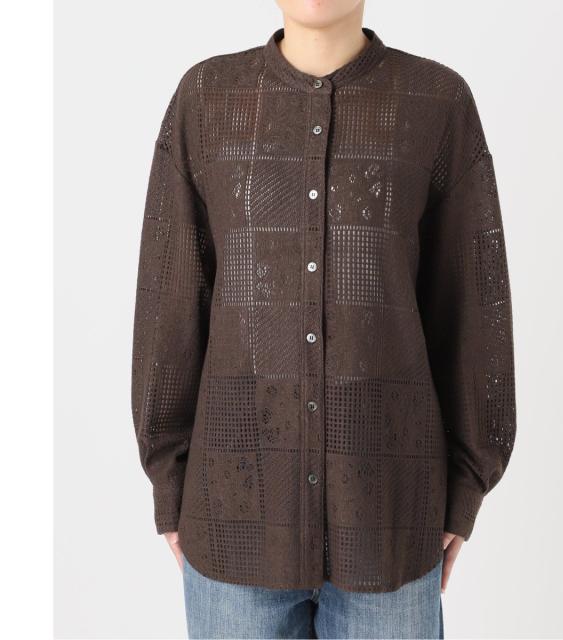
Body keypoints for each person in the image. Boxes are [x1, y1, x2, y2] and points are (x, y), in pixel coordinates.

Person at [131, 1, 517, 638]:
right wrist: (169, 484)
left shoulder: (437, 102)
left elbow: (472, 305)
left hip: (390, 516)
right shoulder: (207, 99)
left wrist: (465, 483)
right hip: (234, 517)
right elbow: (170, 301)